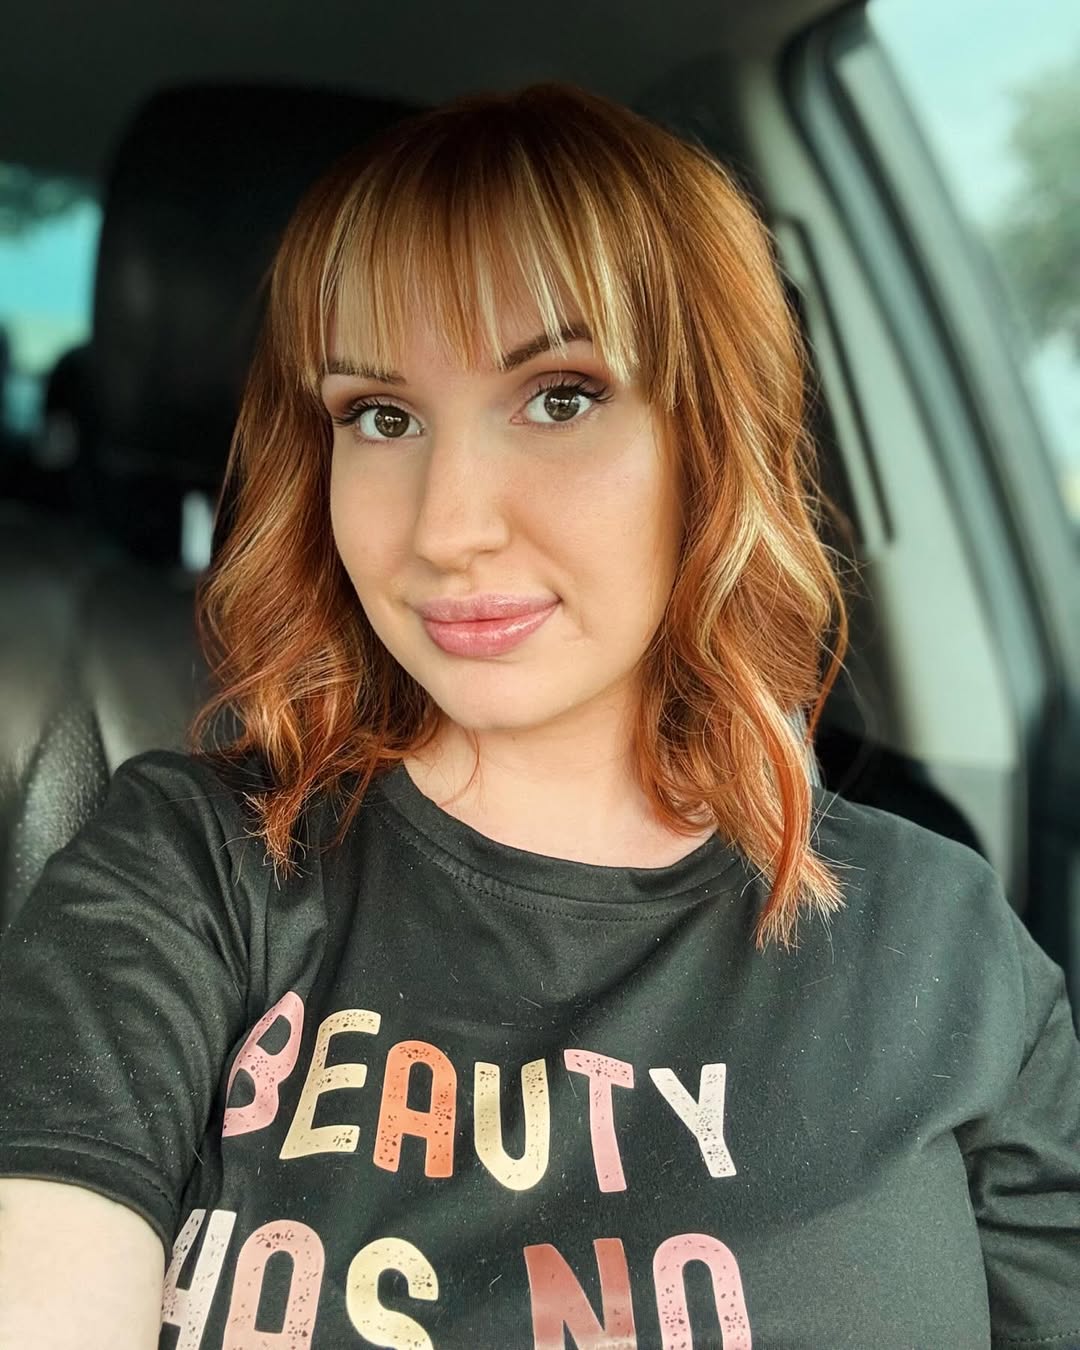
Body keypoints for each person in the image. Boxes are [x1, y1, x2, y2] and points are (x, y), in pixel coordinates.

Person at [0, 82, 1077, 1350]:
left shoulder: (944, 949)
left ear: (712, 440)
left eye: (560, 397)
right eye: (381, 416)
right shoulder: (189, 870)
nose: (448, 526)